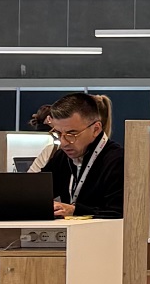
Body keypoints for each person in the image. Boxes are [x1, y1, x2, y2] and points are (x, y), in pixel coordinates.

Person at [44, 92, 124, 220]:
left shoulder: (118, 160)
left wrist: (75, 210)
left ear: (96, 129)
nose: (63, 143)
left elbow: (118, 212)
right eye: (58, 133)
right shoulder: (62, 157)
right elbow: (37, 194)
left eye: (72, 134)